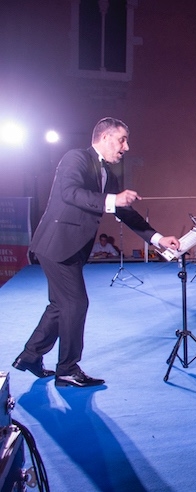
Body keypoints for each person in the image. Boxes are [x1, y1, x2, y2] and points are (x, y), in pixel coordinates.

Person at [12, 117, 180, 388]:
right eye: (122, 139)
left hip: (71, 247)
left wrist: (158, 239)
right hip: (57, 244)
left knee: (60, 306)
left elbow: (125, 212)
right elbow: (70, 193)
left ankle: (30, 356)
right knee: (75, 303)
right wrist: (112, 199)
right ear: (104, 137)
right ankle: (66, 369)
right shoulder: (75, 158)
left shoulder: (108, 174)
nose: (126, 146)